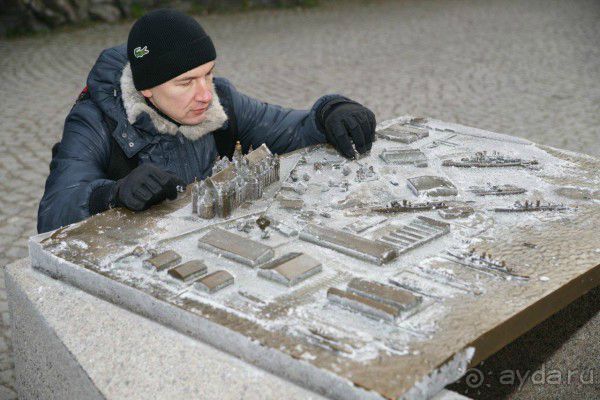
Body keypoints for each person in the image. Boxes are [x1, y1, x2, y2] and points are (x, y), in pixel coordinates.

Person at [37, 8, 376, 233]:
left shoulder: (220, 100)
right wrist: (111, 194)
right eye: (186, 82)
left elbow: (291, 127)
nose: (204, 94)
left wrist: (332, 111)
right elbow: (53, 211)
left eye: (208, 74)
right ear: (148, 89)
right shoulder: (94, 120)